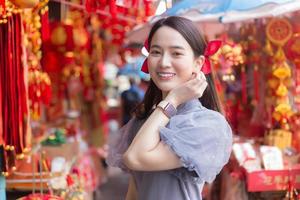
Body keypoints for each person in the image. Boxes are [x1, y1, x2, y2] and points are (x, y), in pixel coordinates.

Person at [107, 16, 232, 200]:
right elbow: (134, 192)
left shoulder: (206, 125)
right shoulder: (145, 120)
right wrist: (170, 103)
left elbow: (135, 158)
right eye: (156, 52)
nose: (164, 62)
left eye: (176, 53)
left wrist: (173, 99)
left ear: (198, 64)